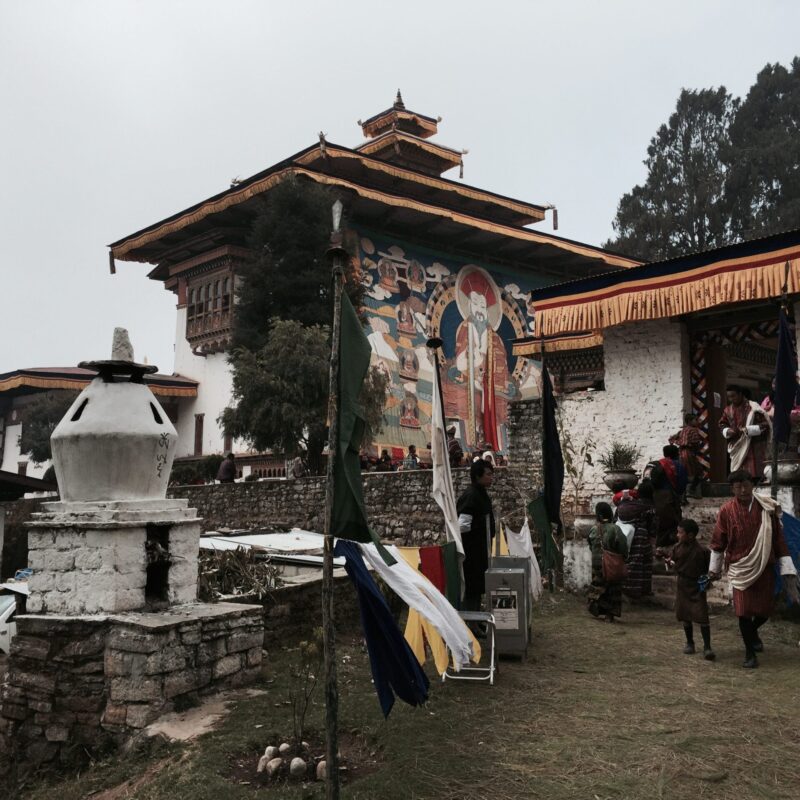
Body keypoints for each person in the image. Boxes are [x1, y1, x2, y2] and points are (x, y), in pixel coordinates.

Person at [709, 469, 800, 668]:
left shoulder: (767, 508)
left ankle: (753, 632)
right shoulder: (726, 511)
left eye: (746, 485)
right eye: (738, 486)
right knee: (743, 612)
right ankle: (750, 653)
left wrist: (787, 568)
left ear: (752, 486)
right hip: (740, 567)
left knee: (764, 611)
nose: (743, 490)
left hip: (765, 567)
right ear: (732, 489)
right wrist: (713, 570)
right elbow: (718, 542)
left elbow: (779, 540)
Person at [658, 519, 715, 660]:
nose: (677, 535)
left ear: (690, 535)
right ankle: (690, 642)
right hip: (683, 585)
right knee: (685, 615)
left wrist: (707, 580)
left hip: (697, 586)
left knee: (702, 616)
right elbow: (673, 563)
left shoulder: (702, 551)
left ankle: (707, 647)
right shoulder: (677, 548)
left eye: (680, 532)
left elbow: (710, 569)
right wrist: (667, 560)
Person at [456, 459, 496, 612]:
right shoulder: (471, 495)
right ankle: (470, 623)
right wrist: (478, 532)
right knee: (472, 587)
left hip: (480, 550)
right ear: (478, 476)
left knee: (479, 585)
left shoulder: (481, 493)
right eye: (488, 474)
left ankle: (476, 619)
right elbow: (462, 525)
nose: (491, 477)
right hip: (471, 551)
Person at [718, 385, 771, 481]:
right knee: (738, 477)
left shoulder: (754, 408)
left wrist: (748, 430)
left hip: (754, 447)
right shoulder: (727, 410)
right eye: (729, 397)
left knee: (755, 477)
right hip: (737, 447)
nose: (731, 399)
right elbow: (722, 424)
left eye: (733, 396)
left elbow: (765, 426)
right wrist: (727, 431)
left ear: (740, 394)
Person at [587, 502, 629, 622]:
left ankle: (597, 607)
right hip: (611, 563)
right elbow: (623, 547)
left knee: (598, 586)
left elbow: (590, 544)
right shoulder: (615, 529)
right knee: (612, 588)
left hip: (597, 563)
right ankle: (609, 614)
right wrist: (624, 558)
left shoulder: (593, 529)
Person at [616, 479, 656, 601]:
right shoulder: (648, 507)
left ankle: (625, 588)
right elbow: (652, 527)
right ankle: (640, 591)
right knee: (642, 563)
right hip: (641, 535)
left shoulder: (626, 505)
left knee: (628, 560)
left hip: (624, 533)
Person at [670, 413, 705, 499]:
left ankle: (683, 493)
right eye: (695, 420)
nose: (697, 422)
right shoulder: (694, 430)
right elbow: (695, 443)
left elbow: (671, 439)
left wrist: (677, 442)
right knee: (699, 472)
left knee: (684, 472)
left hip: (681, 453)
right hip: (689, 453)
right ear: (689, 421)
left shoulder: (682, 431)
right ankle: (691, 491)